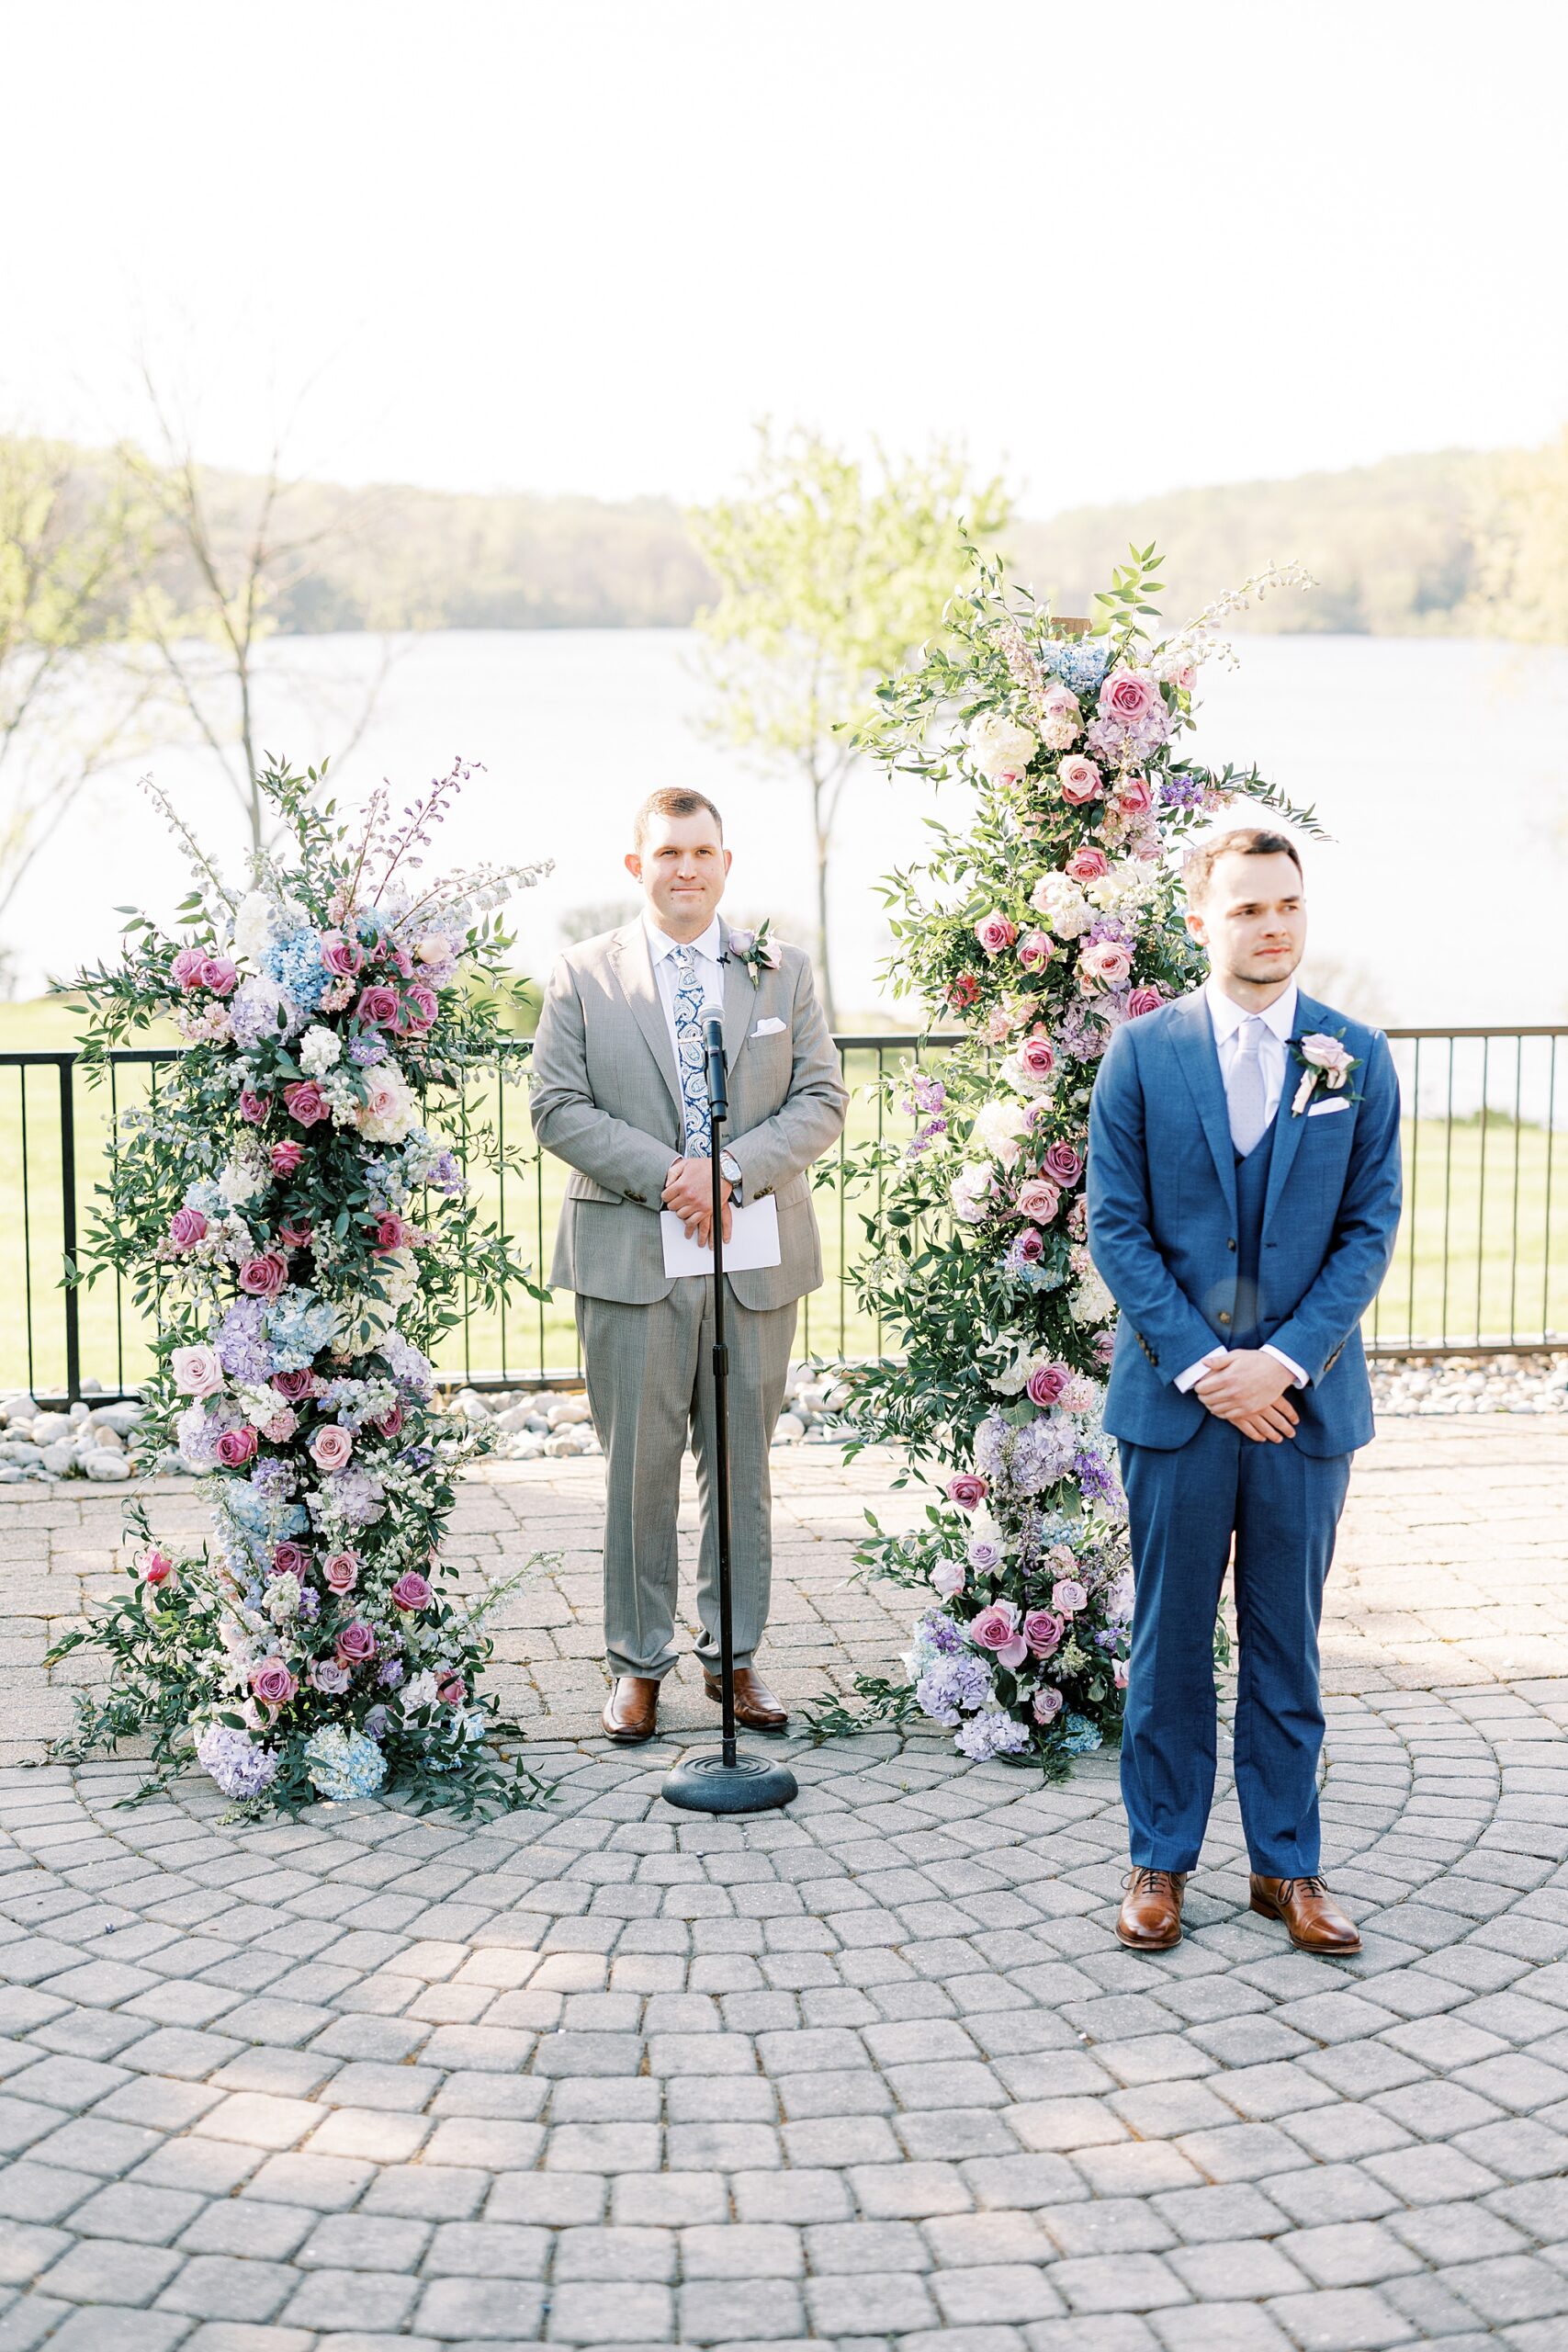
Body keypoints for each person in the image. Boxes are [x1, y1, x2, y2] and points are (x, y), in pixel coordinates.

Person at [1087, 828, 1402, 1955]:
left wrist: (1287, 1359)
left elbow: (1369, 1230)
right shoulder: (1142, 1053)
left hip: (1303, 1408)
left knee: (1286, 1641)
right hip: (1179, 1405)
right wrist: (1207, 1367)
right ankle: (1159, 1860)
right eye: (1247, 909)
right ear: (1200, 921)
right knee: (1169, 1639)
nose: (1272, 926)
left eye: (1287, 905)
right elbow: (1114, 1225)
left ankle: (1289, 1869)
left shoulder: (1356, 1057)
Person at [528, 787, 848, 1744]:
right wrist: (674, 1176)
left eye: (704, 851)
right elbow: (556, 1106)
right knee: (640, 1468)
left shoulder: (779, 971)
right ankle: (636, 1664)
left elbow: (822, 1096)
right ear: (638, 865)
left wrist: (732, 1171)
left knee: (741, 1466)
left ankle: (734, 1657)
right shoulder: (583, 976)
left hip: (754, 1253)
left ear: (725, 862)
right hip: (632, 1254)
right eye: (669, 852)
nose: (687, 868)